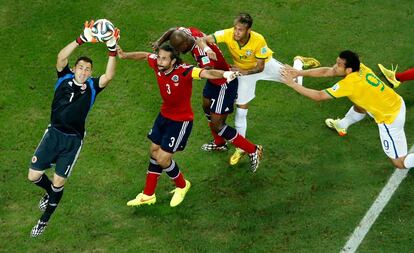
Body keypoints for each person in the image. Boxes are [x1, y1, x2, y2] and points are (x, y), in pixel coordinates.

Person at [117, 43, 240, 207]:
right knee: (154, 151)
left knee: (162, 158)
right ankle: (148, 194)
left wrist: (225, 74)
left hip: (180, 121)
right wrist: (124, 55)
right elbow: (145, 55)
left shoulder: (185, 71)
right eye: (159, 57)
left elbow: (206, 72)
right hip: (163, 116)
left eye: (164, 59)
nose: (159, 61)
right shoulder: (157, 63)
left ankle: (182, 185)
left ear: (173, 61)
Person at [28, 20, 120, 237]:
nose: (84, 71)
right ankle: (49, 194)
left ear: (90, 73)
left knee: (59, 181)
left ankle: (44, 220)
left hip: (73, 140)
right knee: (33, 176)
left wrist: (112, 48)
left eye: (88, 69)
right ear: (74, 68)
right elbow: (61, 57)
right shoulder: (64, 78)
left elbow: (109, 76)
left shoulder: (92, 87)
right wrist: (82, 39)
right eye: (81, 67)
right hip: (52, 135)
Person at [196, 13, 320, 165]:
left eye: (240, 30)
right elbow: (200, 39)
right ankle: (240, 148)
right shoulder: (227, 34)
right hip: (244, 73)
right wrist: (206, 49)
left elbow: (260, 67)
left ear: (248, 30)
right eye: (235, 28)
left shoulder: (258, 40)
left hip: (265, 67)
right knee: (241, 111)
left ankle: (298, 62)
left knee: (296, 82)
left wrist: (243, 72)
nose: (236, 32)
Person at [152, 27, 263, 172]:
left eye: (178, 49)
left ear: (184, 45)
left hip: (223, 83)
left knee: (219, 125)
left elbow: (208, 70)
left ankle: (253, 150)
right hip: (213, 83)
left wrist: (185, 69)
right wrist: (159, 42)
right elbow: (173, 30)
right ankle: (219, 143)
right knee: (206, 106)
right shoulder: (188, 33)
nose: (177, 52)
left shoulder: (201, 53)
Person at [281, 50, 414, 170]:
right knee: (359, 104)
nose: (334, 66)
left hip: (390, 119)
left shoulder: (349, 84)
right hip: (396, 101)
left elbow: (319, 96)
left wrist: (292, 84)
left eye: (338, 65)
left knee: (399, 163)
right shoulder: (360, 67)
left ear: (349, 70)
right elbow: (328, 71)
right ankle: (341, 125)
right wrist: (298, 72)